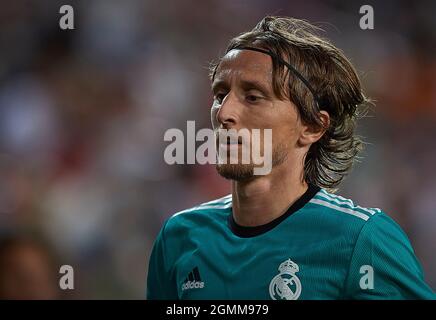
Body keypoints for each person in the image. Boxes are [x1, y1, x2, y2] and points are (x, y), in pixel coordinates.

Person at [147, 16, 435, 299]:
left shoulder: (361, 240)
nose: (224, 113)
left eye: (253, 97)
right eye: (221, 94)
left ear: (312, 126)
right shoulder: (179, 237)